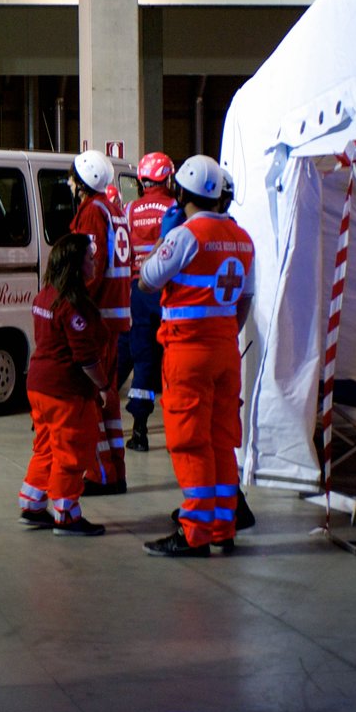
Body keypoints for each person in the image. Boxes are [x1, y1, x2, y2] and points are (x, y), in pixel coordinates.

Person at [138, 154, 255, 557]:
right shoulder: (243, 239)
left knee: (190, 441)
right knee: (222, 439)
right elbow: (246, 301)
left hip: (187, 351)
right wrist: (224, 332)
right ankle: (224, 527)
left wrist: (161, 243)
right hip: (226, 349)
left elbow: (148, 280)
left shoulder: (185, 236)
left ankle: (194, 532)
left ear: (181, 193)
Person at [18, 232, 111, 537]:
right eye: (89, 258)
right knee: (72, 450)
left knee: (45, 446)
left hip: (38, 386)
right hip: (65, 392)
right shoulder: (73, 306)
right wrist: (104, 385)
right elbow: (85, 357)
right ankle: (67, 514)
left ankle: (32, 504)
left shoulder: (45, 295)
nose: (94, 261)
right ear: (74, 265)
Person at [67, 150, 132, 494]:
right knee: (108, 399)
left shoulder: (92, 213)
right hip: (116, 317)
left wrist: (72, 305)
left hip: (99, 318)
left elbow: (90, 268)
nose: (69, 183)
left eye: (72, 178)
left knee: (91, 399)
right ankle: (115, 471)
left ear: (83, 183)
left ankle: (100, 476)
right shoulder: (115, 210)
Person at [120, 152, 178, 451]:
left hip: (137, 293)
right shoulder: (175, 208)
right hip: (168, 292)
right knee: (172, 360)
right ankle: (176, 431)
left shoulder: (128, 210)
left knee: (142, 360)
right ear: (167, 178)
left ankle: (139, 432)